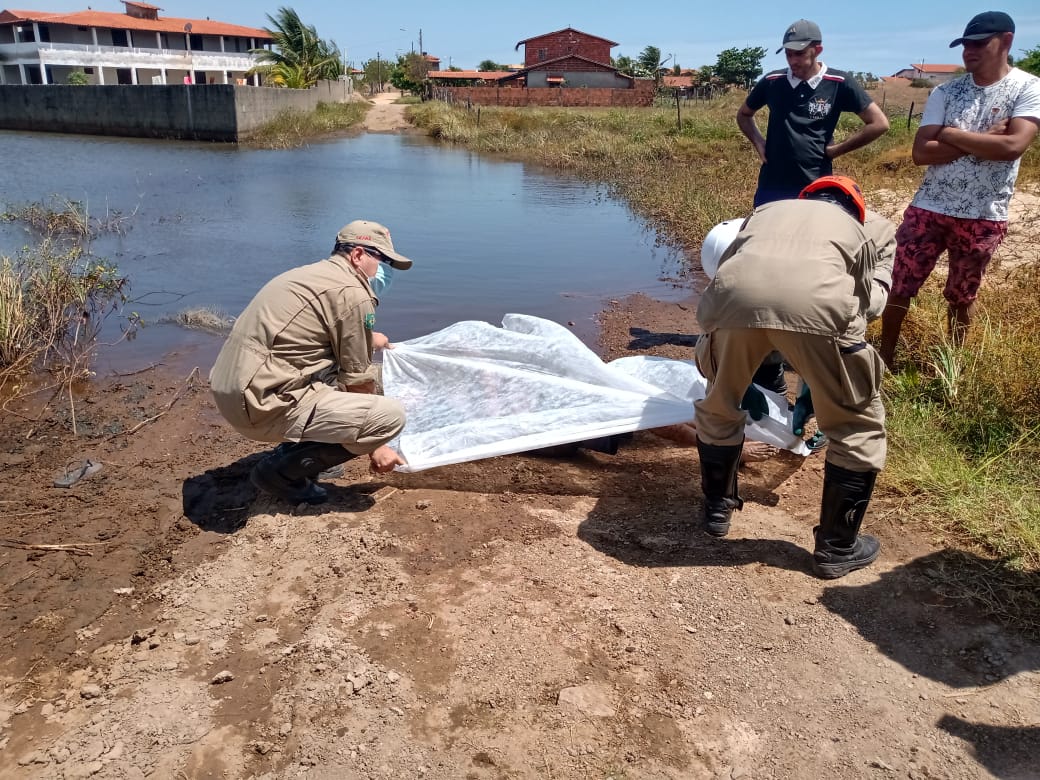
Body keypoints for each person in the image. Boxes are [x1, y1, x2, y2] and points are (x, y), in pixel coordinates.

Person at [693, 176, 892, 579]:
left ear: (806, 197)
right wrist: (820, 383)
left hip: (733, 304)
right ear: (857, 208)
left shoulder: (766, 211)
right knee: (857, 426)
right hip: (821, 311)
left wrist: (736, 368)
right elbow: (870, 305)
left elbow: (733, 271)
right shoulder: (875, 227)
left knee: (719, 404)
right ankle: (837, 548)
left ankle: (717, 509)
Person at [210, 220, 413, 505]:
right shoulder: (353, 294)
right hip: (257, 406)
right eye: (381, 259)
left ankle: (310, 452)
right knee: (388, 415)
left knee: (347, 377)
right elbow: (357, 378)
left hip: (234, 389)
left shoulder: (309, 276)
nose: (382, 268)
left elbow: (308, 339)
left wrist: (369, 339)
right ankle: (279, 474)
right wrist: (377, 445)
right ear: (357, 255)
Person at [879, 11, 1040, 367]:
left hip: (983, 213)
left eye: (980, 44)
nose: (970, 51)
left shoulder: (1028, 88)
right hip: (929, 206)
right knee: (899, 284)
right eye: (966, 45)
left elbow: (1013, 147)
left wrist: (949, 135)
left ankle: (952, 368)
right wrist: (982, 139)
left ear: (1007, 41)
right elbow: (922, 153)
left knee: (962, 295)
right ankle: (883, 358)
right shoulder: (947, 90)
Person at [737, 19, 890, 208]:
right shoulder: (772, 81)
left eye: (799, 54)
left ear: (817, 50)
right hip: (772, 186)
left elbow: (879, 123)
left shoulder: (838, 83)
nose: (792, 60)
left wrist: (836, 150)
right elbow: (744, 114)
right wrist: (759, 143)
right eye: (788, 54)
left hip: (816, 186)